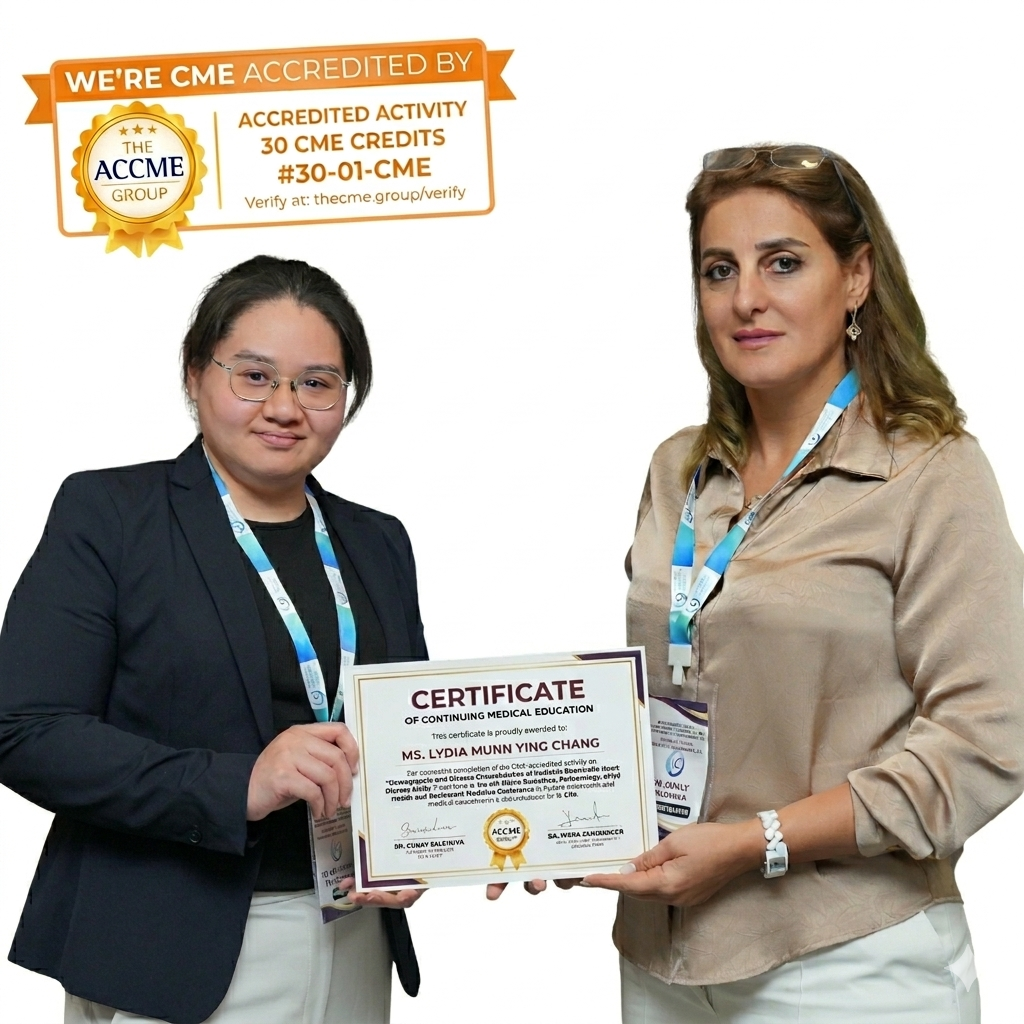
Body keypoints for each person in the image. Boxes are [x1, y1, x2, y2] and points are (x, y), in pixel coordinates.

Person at [572, 146, 1024, 1022]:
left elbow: (986, 743)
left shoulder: (931, 473)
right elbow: (665, 688)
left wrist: (756, 843)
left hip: (847, 959)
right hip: (663, 955)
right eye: (719, 270)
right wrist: (553, 814)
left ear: (856, 277)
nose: (746, 298)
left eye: (782, 263)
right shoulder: (678, 468)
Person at [0, 256, 426, 1024]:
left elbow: (412, 731)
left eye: (317, 382)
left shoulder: (377, 541)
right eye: (254, 376)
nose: (285, 407)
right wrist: (238, 785)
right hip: (168, 946)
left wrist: (455, 832)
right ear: (196, 374)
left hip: (353, 928)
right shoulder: (111, 515)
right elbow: (25, 731)